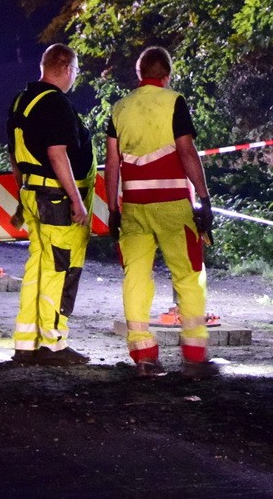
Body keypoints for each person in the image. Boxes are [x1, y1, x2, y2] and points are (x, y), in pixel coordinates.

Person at [104, 46, 216, 379]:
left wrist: (113, 208)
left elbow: (112, 163)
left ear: (140, 75)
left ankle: (144, 353)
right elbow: (186, 151)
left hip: (135, 208)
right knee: (188, 274)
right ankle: (195, 353)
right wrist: (205, 197)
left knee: (136, 277)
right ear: (166, 75)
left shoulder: (120, 108)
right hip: (172, 207)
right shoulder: (173, 101)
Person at [7, 44, 96, 365]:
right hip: (56, 199)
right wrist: (77, 200)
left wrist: (22, 195)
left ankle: (26, 342)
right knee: (61, 267)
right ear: (68, 68)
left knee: (39, 267)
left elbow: (15, 156)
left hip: (33, 194)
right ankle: (54, 344)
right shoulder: (56, 103)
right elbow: (58, 154)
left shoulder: (23, 100)